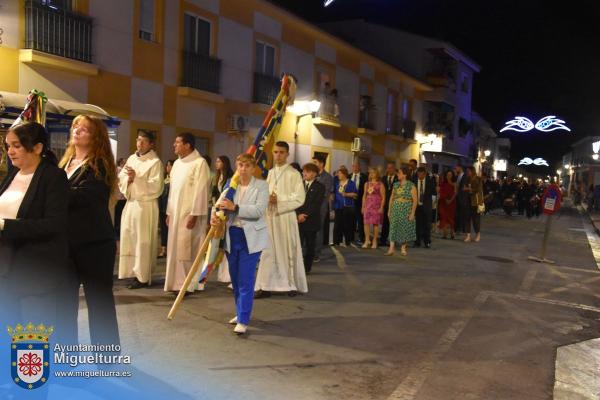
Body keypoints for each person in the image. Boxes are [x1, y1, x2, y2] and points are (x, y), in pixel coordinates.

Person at [0, 122, 74, 345]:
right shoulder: (12, 174)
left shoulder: (53, 176)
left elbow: (54, 224)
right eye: (7, 146)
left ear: (37, 147)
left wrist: (5, 225)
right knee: (7, 324)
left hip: (35, 265)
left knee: (31, 329)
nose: (10, 151)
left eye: (16, 146)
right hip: (6, 264)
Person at [60, 115, 120, 345]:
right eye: (76, 126)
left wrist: (51, 189)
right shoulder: (65, 163)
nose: (77, 131)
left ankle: (106, 356)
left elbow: (83, 197)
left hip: (95, 244)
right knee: (64, 303)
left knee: (99, 303)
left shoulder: (100, 164)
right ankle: (65, 353)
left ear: (96, 137)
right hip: (67, 244)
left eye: (84, 129)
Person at [212, 154, 269, 335]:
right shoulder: (231, 184)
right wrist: (215, 213)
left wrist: (234, 208)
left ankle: (244, 320)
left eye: (246, 166)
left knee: (245, 279)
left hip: (250, 238)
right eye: (240, 165)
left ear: (253, 168)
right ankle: (240, 312)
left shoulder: (261, 186)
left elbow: (258, 211)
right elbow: (219, 204)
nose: (242, 169)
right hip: (232, 235)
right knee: (235, 280)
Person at [254, 141, 307, 298]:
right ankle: (265, 285)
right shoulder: (270, 173)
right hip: (270, 217)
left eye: (281, 152)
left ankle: (290, 284)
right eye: (275, 152)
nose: (278, 155)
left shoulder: (293, 173)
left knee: (287, 249)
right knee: (267, 252)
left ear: (287, 154)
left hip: (285, 217)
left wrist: (279, 199)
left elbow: (299, 198)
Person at [164, 133, 210, 294]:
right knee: (176, 249)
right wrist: (169, 212)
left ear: (188, 145)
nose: (173, 145)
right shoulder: (176, 163)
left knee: (188, 250)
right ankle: (176, 282)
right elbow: (173, 191)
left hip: (190, 214)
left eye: (177, 142)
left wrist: (195, 213)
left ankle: (189, 284)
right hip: (176, 214)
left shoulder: (200, 163)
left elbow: (202, 190)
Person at [118, 131, 164, 289]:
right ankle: (131, 272)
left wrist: (136, 178)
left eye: (144, 141)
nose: (140, 144)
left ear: (151, 144)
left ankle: (142, 276)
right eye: (138, 140)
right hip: (131, 203)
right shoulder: (131, 158)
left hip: (145, 205)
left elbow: (156, 186)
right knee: (129, 237)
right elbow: (122, 178)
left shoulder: (155, 162)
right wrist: (129, 179)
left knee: (142, 241)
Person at [296, 163, 325, 273]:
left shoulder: (320, 187)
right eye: (303, 171)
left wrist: (305, 215)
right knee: (297, 245)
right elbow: (295, 201)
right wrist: (298, 214)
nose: (304, 173)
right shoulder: (299, 185)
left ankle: (307, 268)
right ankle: (297, 267)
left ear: (314, 174)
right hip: (298, 220)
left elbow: (316, 204)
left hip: (311, 220)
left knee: (309, 245)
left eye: (307, 171)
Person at [212, 155, 234, 285]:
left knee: (226, 243)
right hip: (218, 209)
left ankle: (228, 275)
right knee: (220, 242)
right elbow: (216, 193)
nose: (217, 163)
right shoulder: (217, 177)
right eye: (216, 161)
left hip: (226, 212)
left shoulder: (230, 178)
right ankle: (223, 273)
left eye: (219, 161)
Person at [386, 167, 417, 256]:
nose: (397, 174)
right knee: (393, 227)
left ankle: (403, 248)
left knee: (404, 228)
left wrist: (412, 213)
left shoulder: (411, 185)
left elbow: (415, 200)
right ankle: (391, 248)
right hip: (396, 208)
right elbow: (391, 198)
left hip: (406, 208)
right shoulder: (395, 185)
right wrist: (389, 210)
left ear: (405, 175)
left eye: (399, 173)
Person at [312, 155, 333, 262]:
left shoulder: (328, 177)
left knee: (318, 230)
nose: (313, 164)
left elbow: (325, 193)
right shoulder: (313, 175)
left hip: (321, 207)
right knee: (309, 229)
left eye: (315, 162)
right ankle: (308, 251)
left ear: (321, 164)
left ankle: (316, 253)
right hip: (311, 207)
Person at [332, 167, 358, 246]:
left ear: (344, 174)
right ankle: (336, 241)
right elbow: (334, 193)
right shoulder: (337, 183)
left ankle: (347, 241)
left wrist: (346, 194)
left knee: (347, 224)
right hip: (338, 206)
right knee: (337, 224)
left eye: (339, 173)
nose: (338, 175)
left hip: (348, 206)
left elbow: (355, 195)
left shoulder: (351, 183)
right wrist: (332, 197)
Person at [361, 167, 385, 248]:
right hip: (368, 205)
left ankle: (375, 240)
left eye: (373, 172)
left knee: (375, 223)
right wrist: (363, 206)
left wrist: (381, 207)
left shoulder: (380, 184)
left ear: (377, 174)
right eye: (370, 172)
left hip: (376, 205)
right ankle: (367, 240)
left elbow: (383, 197)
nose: (371, 174)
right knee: (366, 223)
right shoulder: (366, 184)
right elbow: (364, 195)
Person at [413, 167, 436, 248]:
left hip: (427, 206)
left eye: (421, 174)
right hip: (417, 206)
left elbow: (434, 192)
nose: (419, 175)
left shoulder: (430, 181)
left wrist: (437, 190)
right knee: (417, 225)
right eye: (418, 174)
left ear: (425, 174)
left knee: (427, 225)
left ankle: (427, 241)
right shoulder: (414, 181)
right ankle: (417, 241)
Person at [158, 159, 175, 258]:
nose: (168, 167)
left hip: (171, 208)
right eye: (167, 165)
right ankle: (163, 249)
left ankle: (170, 250)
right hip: (162, 207)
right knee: (163, 229)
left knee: (170, 229)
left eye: (170, 165)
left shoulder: (176, 178)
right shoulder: (164, 178)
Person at [464, 166, 483, 242]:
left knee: (475, 219)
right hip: (468, 200)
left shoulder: (478, 179)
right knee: (467, 218)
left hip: (475, 201)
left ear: (472, 171)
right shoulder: (467, 179)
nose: (467, 172)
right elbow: (464, 187)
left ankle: (478, 234)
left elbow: (478, 190)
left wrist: (469, 189)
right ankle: (468, 235)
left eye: (468, 171)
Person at [382, 162, 399, 246]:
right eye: (388, 168)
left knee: (393, 223)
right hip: (385, 203)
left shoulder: (397, 178)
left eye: (391, 168)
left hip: (394, 203)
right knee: (385, 222)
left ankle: (392, 240)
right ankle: (383, 240)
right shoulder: (384, 178)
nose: (389, 169)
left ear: (394, 168)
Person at [350, 162, 367, 243]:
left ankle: (361, 237)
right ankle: (350, 237)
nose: (354, 168)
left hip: (360, 201)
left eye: (356, 166)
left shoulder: (364, 177)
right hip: (349, 201)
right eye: (353, 166)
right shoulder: (349, 176)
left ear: (359, 167)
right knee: (350, 220)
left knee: (360, 220)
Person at [438, 170, 457, 239]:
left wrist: (450, 200)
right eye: (448, 174)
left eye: (450, 174)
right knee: (443, 217)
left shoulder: (454, 183)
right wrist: (445, 199)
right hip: (443, 202)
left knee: (451, 218)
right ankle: (445, 234)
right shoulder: (443, 183)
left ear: (452, 175)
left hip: (451, 203)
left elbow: (455, 193)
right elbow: (441, 191)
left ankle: (452, 233)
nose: (449, 176)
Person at [454, 164, 470, 237]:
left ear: (460, 168)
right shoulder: (457, 176)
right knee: (458, 214)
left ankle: (463, 230)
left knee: (463, 215)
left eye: (456, 167)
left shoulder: (465, 176)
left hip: (463, 198)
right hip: (457, 197)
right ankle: (458, 228)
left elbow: (464, 187)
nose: (455, 169)